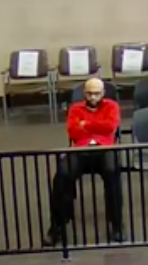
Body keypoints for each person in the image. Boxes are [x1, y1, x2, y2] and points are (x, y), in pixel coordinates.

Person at [47, 77, 124, 246]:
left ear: (103, 93)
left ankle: (117, 225)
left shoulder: (112, 106)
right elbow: (73, 132)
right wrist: (95, 126)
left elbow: (110, 127)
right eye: (89, 93)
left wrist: (86, 124)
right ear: (84, 93)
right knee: (62, 175)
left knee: (113, 173)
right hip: (80, 148)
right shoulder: (75, 108)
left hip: (105, 149)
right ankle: (57, 226)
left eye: (96, 93)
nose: (93, 97)